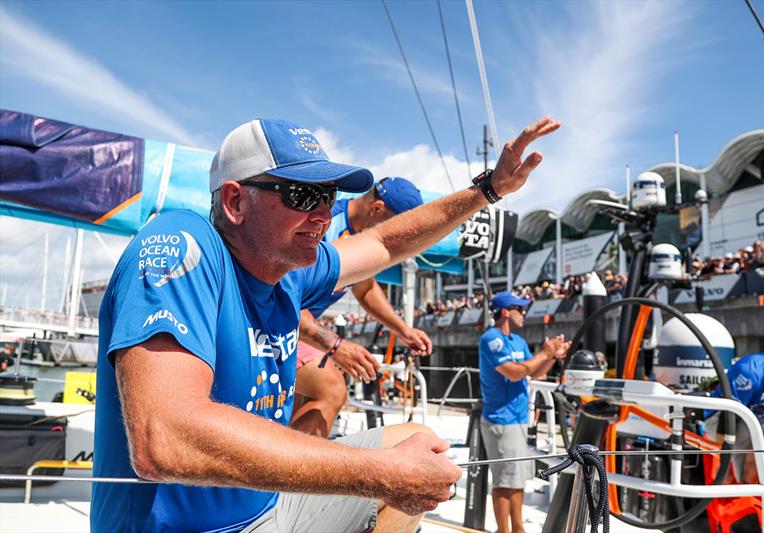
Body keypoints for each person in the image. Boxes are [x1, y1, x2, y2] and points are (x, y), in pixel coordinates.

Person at [91, 116, 561, 532]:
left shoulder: (288, 271)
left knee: (419, 446)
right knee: (387, 458)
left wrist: (487, 190)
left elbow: (387, 243)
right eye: (303, 195)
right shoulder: (181, 245)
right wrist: (378, 472)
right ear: (235, 201)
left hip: (266, 509)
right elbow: (166, 438)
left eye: (328, 196)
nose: (322, 213)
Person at [291, 176, 432, 437]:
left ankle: (283, 469)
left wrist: (403, 330)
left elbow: (365, 288)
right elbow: (285, 296)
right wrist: (335, 346)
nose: (396, 239)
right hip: (279, 321)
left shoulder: (357, 234)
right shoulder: (325, 226)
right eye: (395, 229)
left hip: (296, 326)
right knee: (331, 390)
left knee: (299, 403)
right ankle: (290, 470)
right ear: (376, 209)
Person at [478, 291, 570, 533]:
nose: (525, 314)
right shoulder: (491, 339)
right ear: (506, 312)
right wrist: (544, 353)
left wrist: (553, 358)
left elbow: (534, 373)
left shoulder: (517, 342)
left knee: (517, 480)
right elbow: (515, 372)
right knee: (503, 481)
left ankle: (517, 529)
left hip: (518, 419)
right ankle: (505, 530)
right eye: (521, 309)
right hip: (501, 420)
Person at [705, 331, 764, 487]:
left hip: (752, 422)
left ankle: (751, 486)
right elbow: (728, 414)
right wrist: (723, 464)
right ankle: (743, 480)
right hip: (721, 417)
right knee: (727, 475)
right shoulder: (751, 371)